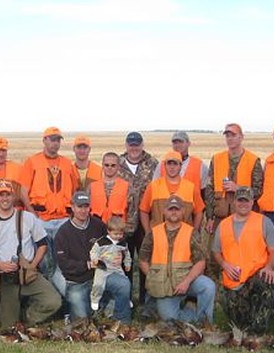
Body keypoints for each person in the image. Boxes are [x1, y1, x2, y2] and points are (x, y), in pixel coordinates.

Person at [0, 180, 61, 328]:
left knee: (53, 301)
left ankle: (28, 317)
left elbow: (42, 245)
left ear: (14, 196)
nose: (5, 199)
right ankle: (12, 317)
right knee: (8, 327)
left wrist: (32, 266)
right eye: (1, 195)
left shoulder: (28, 218)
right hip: (6, 278)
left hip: (27, 274)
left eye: (8, 195)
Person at [54, 191, 132, 322]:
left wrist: (121, 256)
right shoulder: (63, 233)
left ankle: (122, 322)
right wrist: (87, 264)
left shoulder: (98, 225)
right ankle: (91, 309)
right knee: (81, 321)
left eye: (86, 206)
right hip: (77, 281)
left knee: (123, 284)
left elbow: (117, 243)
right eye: (79, 207)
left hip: (102, 274)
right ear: (72, 207)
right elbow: (64, 264)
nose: (83, 210)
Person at [211, 187, 274, 333]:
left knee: (265, 282)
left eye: (247, 200)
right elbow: (216, 252)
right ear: (234, 202)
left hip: (256, 277)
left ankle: (259, 329)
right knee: (239, 325)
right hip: (233, 281)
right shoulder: (223, 225)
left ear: (252, 202)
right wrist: (224, 264)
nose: (243, 204)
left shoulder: (263, 221)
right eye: (240, 200)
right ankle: (247, 321)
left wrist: (269, 267)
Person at [139, 195, 215, 324]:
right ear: (164, 211)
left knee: (208, 286)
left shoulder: (191, 232)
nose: (174, 212)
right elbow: (142, 260)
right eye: (170, 209)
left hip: (186, 281)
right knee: (170, 320)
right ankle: (190, 310)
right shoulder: (153, 233)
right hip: (164, 286)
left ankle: (204, 322)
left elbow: (201, 262)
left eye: (177, 209)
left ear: (183, 211)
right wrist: (153, 277)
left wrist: (186, 282)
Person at [20, 127, 79, 294]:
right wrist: (32, 212)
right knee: (44, 262)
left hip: (63, 220)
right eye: (52, 139)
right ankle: (47, 294)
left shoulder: (68, 164)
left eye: (58, 140)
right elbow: (23, 191)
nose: (55, 143)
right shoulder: (32, 162)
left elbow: (75, 191)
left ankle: (62, 298)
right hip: (41, 220)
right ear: (44, 140)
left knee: (63, 261)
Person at [118, 131, 159, 303]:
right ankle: (125, 300)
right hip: (122, 222)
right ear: (126, 145)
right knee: (123, 262)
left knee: (145, 260)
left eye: (137, 144)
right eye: (131, 144)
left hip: (145, 221)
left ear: (142, 145)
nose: (134, 148)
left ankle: (145, 299)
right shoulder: (117, 163)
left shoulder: (153, 163)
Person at [205, 123, 263, 233]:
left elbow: (259, 191)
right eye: (227, 136)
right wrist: (210, 217)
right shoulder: (216, 159)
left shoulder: (253, 160)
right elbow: (209, 190)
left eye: (233, 135)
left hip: (244, 218)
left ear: (241, 137)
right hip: (219, 217)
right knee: (216, 249)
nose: (230, 139)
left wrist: (238, 189)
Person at [140, 151, 204, 233]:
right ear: (164, 166)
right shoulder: (153, 186)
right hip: (158, 237)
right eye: (169, 164)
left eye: (175, 164)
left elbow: (199, 212)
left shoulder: (191, 187)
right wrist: (148, 232)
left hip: (183, 237)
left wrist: (193, 232)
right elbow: (144, 211)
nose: (172, 167)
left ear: (181, 166)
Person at [89, 216, 132, 311]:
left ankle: (126, 299)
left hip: (116, 267)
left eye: (121, 234)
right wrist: (95, 259)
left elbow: (127, 253)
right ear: (108, 231)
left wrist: (127, 263)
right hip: (103, 267)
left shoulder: (122, 243)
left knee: (125, 282)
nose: (118, 236)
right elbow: (93, 251)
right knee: (98, 284)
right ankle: (95, 299)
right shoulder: (101, 242)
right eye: (115, 234)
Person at [88, 152, 132, 227]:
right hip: (96, 230)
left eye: (113, 165)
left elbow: (132, 212)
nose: (109, 167)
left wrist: (127, 232)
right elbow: (87, 210)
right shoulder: (92, 186)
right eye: (106, 165)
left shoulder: (127, 186)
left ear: (118, 167)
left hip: (118, 232)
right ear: (102, 166)